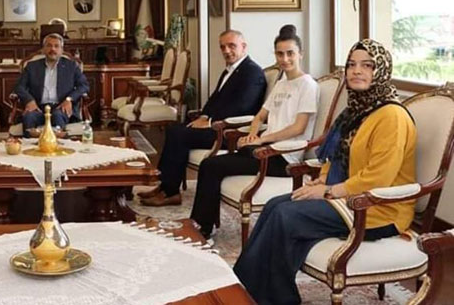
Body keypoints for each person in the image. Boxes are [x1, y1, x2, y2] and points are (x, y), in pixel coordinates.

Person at [234, 39, 416, 305]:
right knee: (274, 206)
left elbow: (378, 178)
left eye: (367, 65)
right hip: (347, 195)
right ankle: (247, 289)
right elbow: (339, 154)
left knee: (286, 215)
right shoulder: (357, 110)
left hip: (377, 208)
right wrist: (321, 179)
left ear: (381, 71)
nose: (356, 71)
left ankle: (270, 297)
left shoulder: (392, 117)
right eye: (351, 65)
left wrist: (328, 191)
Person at [189, 24, 319, 237]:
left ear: (300, 54)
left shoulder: (308, 85)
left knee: (211, 165)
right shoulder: (282, 83)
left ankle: (201, 228)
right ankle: (200, 223)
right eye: (280, 54)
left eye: (290, 53)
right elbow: (259, 116)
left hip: (284, 158)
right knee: (213, 164)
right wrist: (252, 135)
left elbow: (299, 127)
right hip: (265, 149)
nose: (285, 59)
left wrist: (261, 140)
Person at [140, 30, 267, 206]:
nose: (226, 51)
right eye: (223, 47)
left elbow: (241, 108)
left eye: (232, 46)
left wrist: (209, 122)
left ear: (243, 46)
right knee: (175, 129)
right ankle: (165, 186)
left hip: (230, 132)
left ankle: (170, 192)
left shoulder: (252, 72)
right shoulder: (231, 70)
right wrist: (205, 115)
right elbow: (214, 99)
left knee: (179, 134)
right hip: (215, 124)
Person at [13, 33, 89, 136]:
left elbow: (84, 86)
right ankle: (28, 145)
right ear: (43, 49)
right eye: (49, 45)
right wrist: (29, 100)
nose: (52, 49)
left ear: (61, 50)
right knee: (29, 117)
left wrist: (69, 99)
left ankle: (59, 144)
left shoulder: (71, 66)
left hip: (60, 106)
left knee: (57, 116)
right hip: (38, 107)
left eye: (56, 46)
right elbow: (19, 87)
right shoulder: (32, 66)